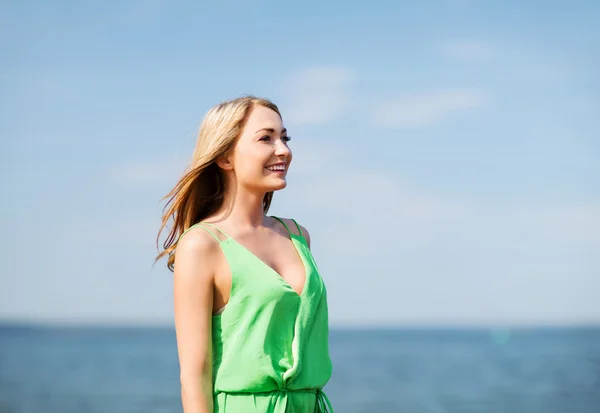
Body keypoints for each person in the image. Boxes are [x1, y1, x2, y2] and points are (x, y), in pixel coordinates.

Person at [155, 96, 334, 413]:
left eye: (284, 138)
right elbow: (194, 376)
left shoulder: (297, 235)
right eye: (266, 138)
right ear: (225, 157)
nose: (283, 150)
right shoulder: (202, 245)